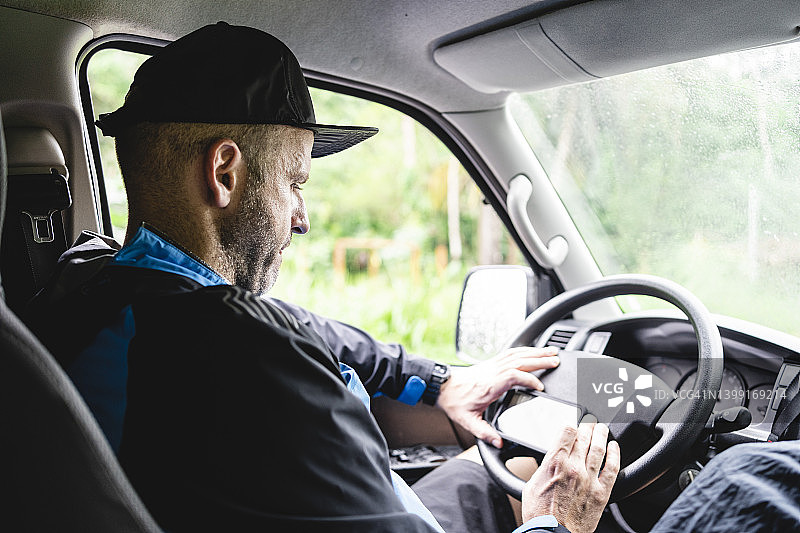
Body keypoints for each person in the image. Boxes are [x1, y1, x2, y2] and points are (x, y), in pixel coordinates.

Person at [25, 22, 619, 533]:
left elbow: (311, 332)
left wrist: (440, 383)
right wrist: (556, 523)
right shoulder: (244, 360)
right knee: (530, 484)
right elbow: (279, 340)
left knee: (496, 474)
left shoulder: (93, 287)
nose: (301, 217)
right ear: (224, 172)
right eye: (295, 183)